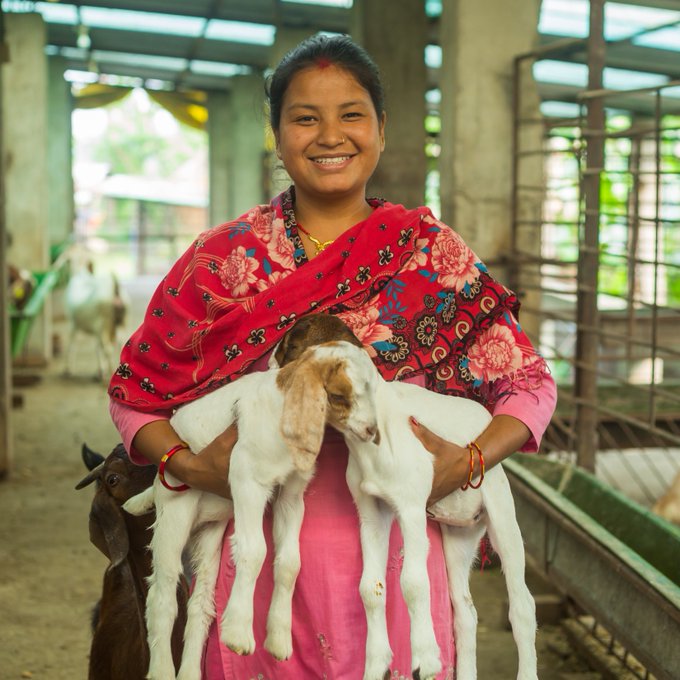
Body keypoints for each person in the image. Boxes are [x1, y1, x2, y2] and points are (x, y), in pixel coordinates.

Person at [108, 33, 556, 680]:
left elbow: (530, 386)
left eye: (351, 114)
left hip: (398, 571)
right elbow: (134, 395)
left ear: (381, 128)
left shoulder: (428, 254)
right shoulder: (222, 259)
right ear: (276, 132)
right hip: (258, 584)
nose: (330, 136)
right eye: (304, 117)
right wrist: (188, 464)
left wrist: (471, 460)